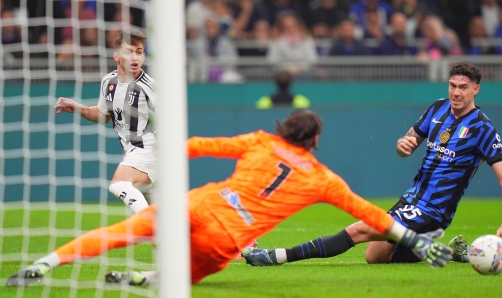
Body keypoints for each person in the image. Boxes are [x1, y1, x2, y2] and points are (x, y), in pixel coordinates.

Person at [6, 110, 453, 287]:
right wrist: (416, 241)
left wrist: (162, 151)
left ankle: (48, 263)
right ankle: (149, 280)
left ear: (283, 131)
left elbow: (201, 144)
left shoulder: (260, 140)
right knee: (188, 277)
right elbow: (371, 214)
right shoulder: (324, 179)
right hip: (228, 237)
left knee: (116, 233)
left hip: (198, 205)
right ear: (314, 141)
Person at [243, 62, 502, 267]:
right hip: (410, 199)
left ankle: (274, 257)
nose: (456, 93)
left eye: (463, 88)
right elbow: (408, 143)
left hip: (433, 210)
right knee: (375, 256)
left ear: (476, 89)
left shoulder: (483, 129)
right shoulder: (437, 108)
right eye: (452, 86)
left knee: (358, 229)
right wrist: (403, 145)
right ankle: (446, 249)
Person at [54, 29, 155, 214]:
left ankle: (148, 225)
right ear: (116, 56)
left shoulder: (148, 87)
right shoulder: (109, 82)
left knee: (119, 184)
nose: (135, 58)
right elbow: (103, 115)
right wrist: (78, 107)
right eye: (128, 52)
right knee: (163, 221)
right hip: (131, 153)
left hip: (150, 151)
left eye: (139, 52)